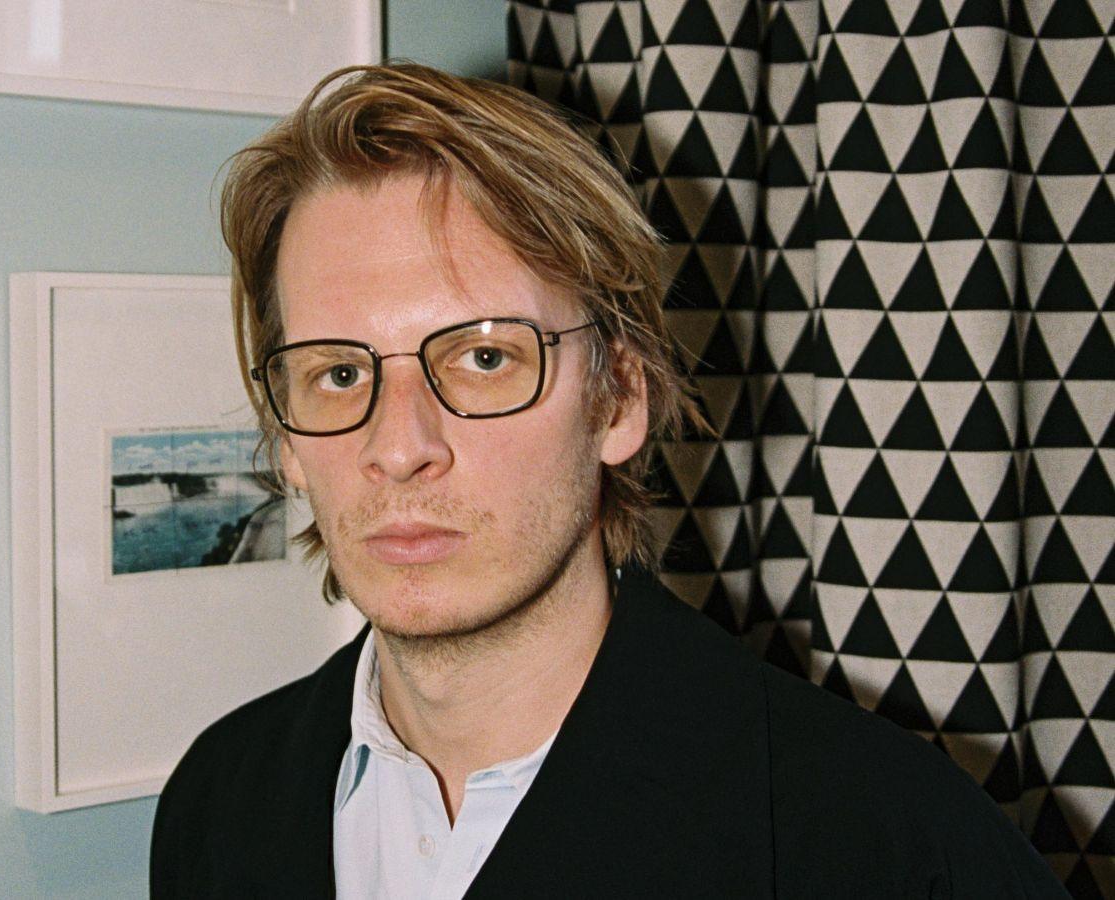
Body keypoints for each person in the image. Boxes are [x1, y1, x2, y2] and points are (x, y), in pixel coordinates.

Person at [151, 63, 1064, 898]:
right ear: (286, 441)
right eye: (340, 373)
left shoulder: (887, 848)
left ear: (620, 399)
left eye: (483, 357)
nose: (399, 447)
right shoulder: (220, 802)